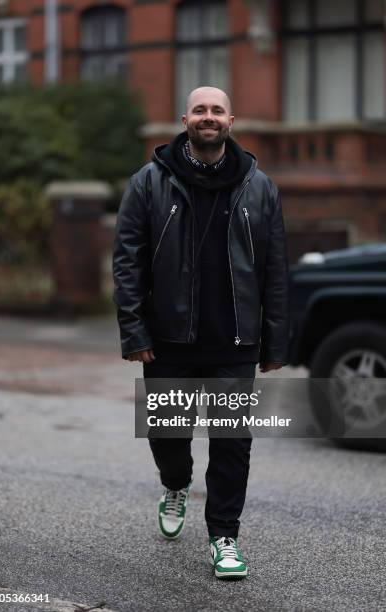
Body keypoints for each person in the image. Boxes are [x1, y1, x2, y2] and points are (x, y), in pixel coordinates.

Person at [113, 86, 289, 580]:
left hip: (236, 341)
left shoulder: (261, 187)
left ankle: (224, 536)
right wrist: (134, 329)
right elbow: (127, 262)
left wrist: (275, 342)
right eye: (199, 110)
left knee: (233, 442)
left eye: (216, 110)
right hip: (167, 339)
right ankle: (175, 484)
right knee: (169, 434)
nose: (208, 118)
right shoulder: (148, 183)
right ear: (185, 118)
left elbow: (276, 269)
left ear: (231, 119)